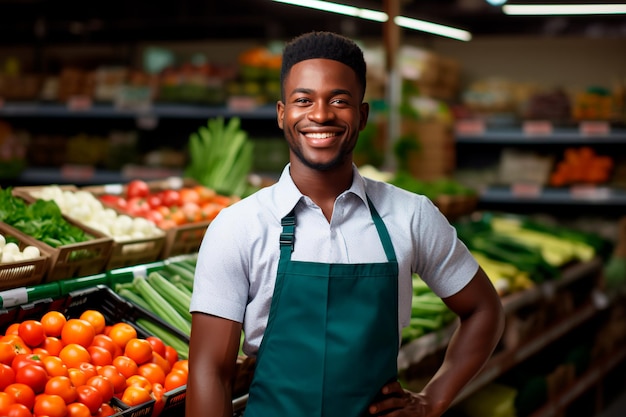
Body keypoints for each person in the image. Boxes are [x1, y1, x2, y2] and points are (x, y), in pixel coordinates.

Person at [186, 30, 505, 417]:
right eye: (304, 100)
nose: (320, 114)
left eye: (339, 100)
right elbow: (210, 372)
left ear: (363, 115)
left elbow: (485, 309)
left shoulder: (410, 215)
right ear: (282, 113)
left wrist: (434, 399)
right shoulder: (238, 226)